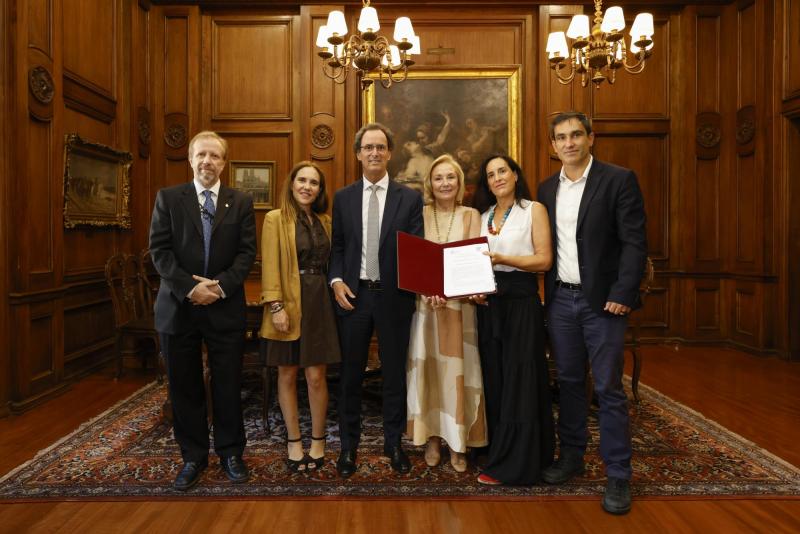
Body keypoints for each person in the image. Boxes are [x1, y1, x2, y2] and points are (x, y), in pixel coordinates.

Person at [537, 111, 647, 515]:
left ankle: (618, 473)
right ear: (553, 146)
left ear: (591, 138)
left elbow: (635, 242)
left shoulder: (618, 179)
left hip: (604, 303)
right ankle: (572, 457)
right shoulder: (546, 189)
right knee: (567, 382)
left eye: (576, 135)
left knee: (608, 389)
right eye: (561, 137)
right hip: (561, 301)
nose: (569, 143)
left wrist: (623, 292)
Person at [149, 130, 256, 491]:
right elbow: (159, 252)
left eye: (215, 156)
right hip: (178, 308)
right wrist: (191, 288)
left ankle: (230, 453)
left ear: (224, 162)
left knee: (228, 385)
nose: (207, 161)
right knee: (185, 387)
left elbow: (246, 254)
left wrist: (220, 287)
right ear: (191, 160)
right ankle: (193, 457)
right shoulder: (168, 198)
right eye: (201, 155)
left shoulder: (239, 201)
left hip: (224, 307)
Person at [329, 122, 424, 477]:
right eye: (368, 147)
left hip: (394, 297)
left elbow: (415, 251)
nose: (374, 153)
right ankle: (349, 447)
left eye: (380, 147)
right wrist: (336, 280)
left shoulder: (409, 198)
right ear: (358, 154)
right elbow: (338, 247)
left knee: (394, 375)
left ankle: (393, 444)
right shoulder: (344, 197)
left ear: (389, 153)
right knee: (350, 375)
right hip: (353, 296)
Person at [470, 154, 555, 486]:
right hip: (489, 304)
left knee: (522, 378)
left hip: (521, 302)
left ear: (516, 174)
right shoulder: (482, 216)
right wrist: (475, 291)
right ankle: (498, 451)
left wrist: (504, 258)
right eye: (490, 175)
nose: (497, 178)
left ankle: (519, 463)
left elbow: (544, 260)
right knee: (496, 378)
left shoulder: (533, 210)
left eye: (502, 171)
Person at [406, 154, 488, 473]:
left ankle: (458, 442)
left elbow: (474, 263)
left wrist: (452, 291)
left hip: (460, 308)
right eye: (438, 178)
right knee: (428, 373)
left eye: (450, 177)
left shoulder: (471, 215)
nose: (444, 183)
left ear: (459, 183)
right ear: (430, 183)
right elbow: (411, 261)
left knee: (458, 375)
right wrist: (427, 291)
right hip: (425, 308)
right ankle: (431, 439)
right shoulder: (419, 214)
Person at [260, 161, 340, 473]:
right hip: (289, 303)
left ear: (320, 189)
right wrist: (276, 306)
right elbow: (270, 265)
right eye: (302, 180)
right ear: (291, 184)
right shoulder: (275, 219)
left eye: (314, 183)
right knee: (287, 374)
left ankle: (318, 439)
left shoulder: (325, 221)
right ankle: (294, 441)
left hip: (319, 300)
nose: (307, 186)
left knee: (316, 376)